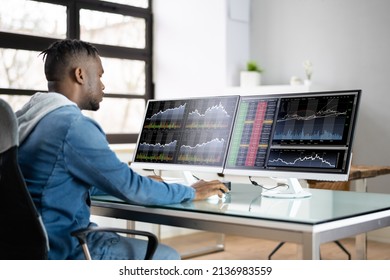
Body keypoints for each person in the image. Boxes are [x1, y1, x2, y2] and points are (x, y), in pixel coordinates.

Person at [16, 39, 229, 260]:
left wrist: (130, 182)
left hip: (29, 247)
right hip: (66, 249)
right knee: (168, 257)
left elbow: (54, 187)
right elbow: (132, 189)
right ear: (80, 75)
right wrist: (191, 192)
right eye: (99, 75)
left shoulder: (27, 121)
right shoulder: (73, 126)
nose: (103, 85)